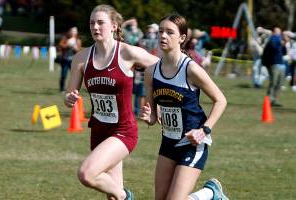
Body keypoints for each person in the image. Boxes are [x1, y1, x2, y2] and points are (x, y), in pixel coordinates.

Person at [64, 4, 158, 200]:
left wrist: (154, 102)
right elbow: (68, 96)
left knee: (87, 174)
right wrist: (70, 98)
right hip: (99, 131)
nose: (95, 27)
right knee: (112, 197)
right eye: (92, 23)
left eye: (100, 23)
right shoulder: (81, 58)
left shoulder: (127, 53)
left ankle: (126, 196)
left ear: (114, 26)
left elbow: (165, 69)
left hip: (123, 131)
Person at [140, 13, 228, 200]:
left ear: (181, 38)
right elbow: (154, 116)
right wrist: (150, 117)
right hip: (168, 142)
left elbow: (221, 100)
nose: (163, 36)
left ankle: (210, 193)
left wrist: (204, 130)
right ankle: (210, 194)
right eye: (161, 31)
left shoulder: (191, 69)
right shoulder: (150, 72)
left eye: (169, 32)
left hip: (192, 143)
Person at [261, 26, 285, 107]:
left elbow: (283, 51)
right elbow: (274, 47)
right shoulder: (273, 39)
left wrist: (283, 44)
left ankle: (274, 100)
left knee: (279, 83)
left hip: (280, 63)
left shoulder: (279, 39)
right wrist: (280, 42)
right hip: (273, 63)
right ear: (274, 32)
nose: (279, 34)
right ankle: (268, 100)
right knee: (273, 82)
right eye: (277, 32)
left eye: (279, 32)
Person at [57, 26, 82, 92]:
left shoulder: (78, 40)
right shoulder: (65, 39)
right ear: (70, 32)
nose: (73, 32)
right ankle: (61, 89)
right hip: (65, 60)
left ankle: (74, 89)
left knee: (75, 76)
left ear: (76, 32)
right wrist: (67, 45)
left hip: (73, 61)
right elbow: (60, 46)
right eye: (72, 31)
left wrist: (75, 48)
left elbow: (79, 51)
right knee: (63, 75)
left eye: (75, 31)